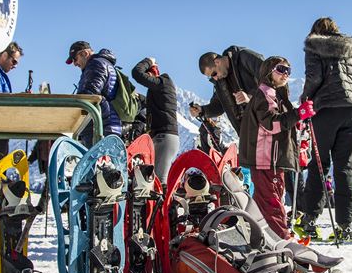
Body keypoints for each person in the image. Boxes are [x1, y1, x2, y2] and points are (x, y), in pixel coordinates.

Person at [298, 17, 352, 242]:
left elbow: (314, 77)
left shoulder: (313, 46)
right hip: (351, 111)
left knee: (319, 165)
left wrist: (305, 101)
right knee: (344, 168)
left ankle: (309, 220)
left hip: (325, 110)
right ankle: (345, 226)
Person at [239, 56, 315, 240]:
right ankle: (282, 238)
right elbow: (271, 124)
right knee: (272, 200)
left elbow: (279, 122)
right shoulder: (265, 94)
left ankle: (262, 236)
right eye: (281, 69)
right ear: (268, 71)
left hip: (269, 158)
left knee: (267, 199)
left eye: (288, 71)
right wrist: (297, 114)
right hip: (266, 158)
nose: (285, 74)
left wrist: (296, 119)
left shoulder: (274, 94)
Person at [189, 46, 264, 136]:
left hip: (266, 121)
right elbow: (218, 105)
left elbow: (271, 78)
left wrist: (250, 97)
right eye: (211, 77)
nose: (215, 78)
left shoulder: (244, 57)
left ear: (217, 62)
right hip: (247, 132)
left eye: (214, 73)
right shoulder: (220, 82)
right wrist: (202, 111)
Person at [131, 57, 179, 186]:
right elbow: (151, 104)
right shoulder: (160, 90)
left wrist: (148, 61)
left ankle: (164, 205)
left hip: (165, 137)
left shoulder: (163, 82)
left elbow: (137, 73)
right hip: (163, 137)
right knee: (155, 180)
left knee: (159, 181)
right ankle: (159, 205)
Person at [66, 41, 121, 146]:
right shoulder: (103, 63)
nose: (75, 64)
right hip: (107, 124)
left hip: (100, 126)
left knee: (94, 161)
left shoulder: (96, 64)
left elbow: (89, 94)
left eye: (75, 58)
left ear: (85, 53)